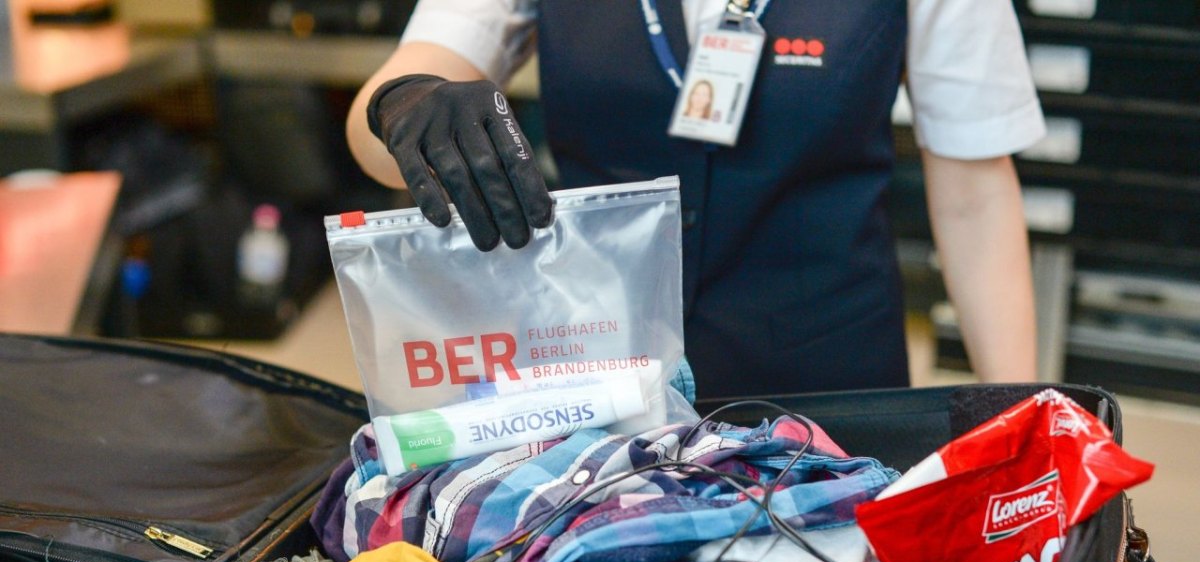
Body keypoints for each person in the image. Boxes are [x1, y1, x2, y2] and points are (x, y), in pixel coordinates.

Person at [347, 0, 1044, 401]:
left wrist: (1025, 421)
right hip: (597, 378)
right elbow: (378, 124)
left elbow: (975, 195)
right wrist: (404, 102)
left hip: (829, 387)